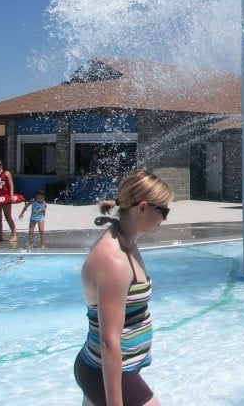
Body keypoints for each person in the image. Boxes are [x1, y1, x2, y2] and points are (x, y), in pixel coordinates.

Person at [74, 170, 173, 406]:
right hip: (103, 370)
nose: (165, 218)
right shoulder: (114, 260)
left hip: (105, 368)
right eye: (164, 211)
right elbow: (109, 342)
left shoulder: (127, 242)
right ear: (143, 207)